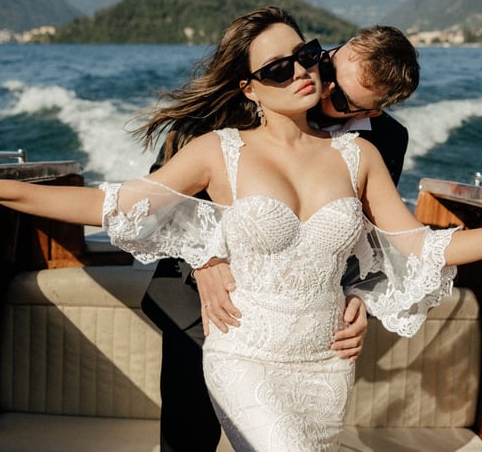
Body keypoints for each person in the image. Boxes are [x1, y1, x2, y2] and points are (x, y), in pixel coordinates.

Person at [0, 6, 482, 451]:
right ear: (250, 87)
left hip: (322, 360)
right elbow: (124, 205)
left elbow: (397, 245)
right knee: (190, 434)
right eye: (296, 67)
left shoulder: (372, 149)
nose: (313, 81)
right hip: (227, 327)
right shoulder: (218, 137)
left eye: (334, 88)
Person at [142, 24, 419, 452]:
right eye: (324, 62)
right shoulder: (255, 89)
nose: (318, 86)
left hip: (304, 330)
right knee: (189, 432)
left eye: (342, 99)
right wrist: (205, 260)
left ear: (376, 110)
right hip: (204, 298)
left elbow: (374, 240)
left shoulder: (384, 142)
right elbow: (154, 203)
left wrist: (362, 295)